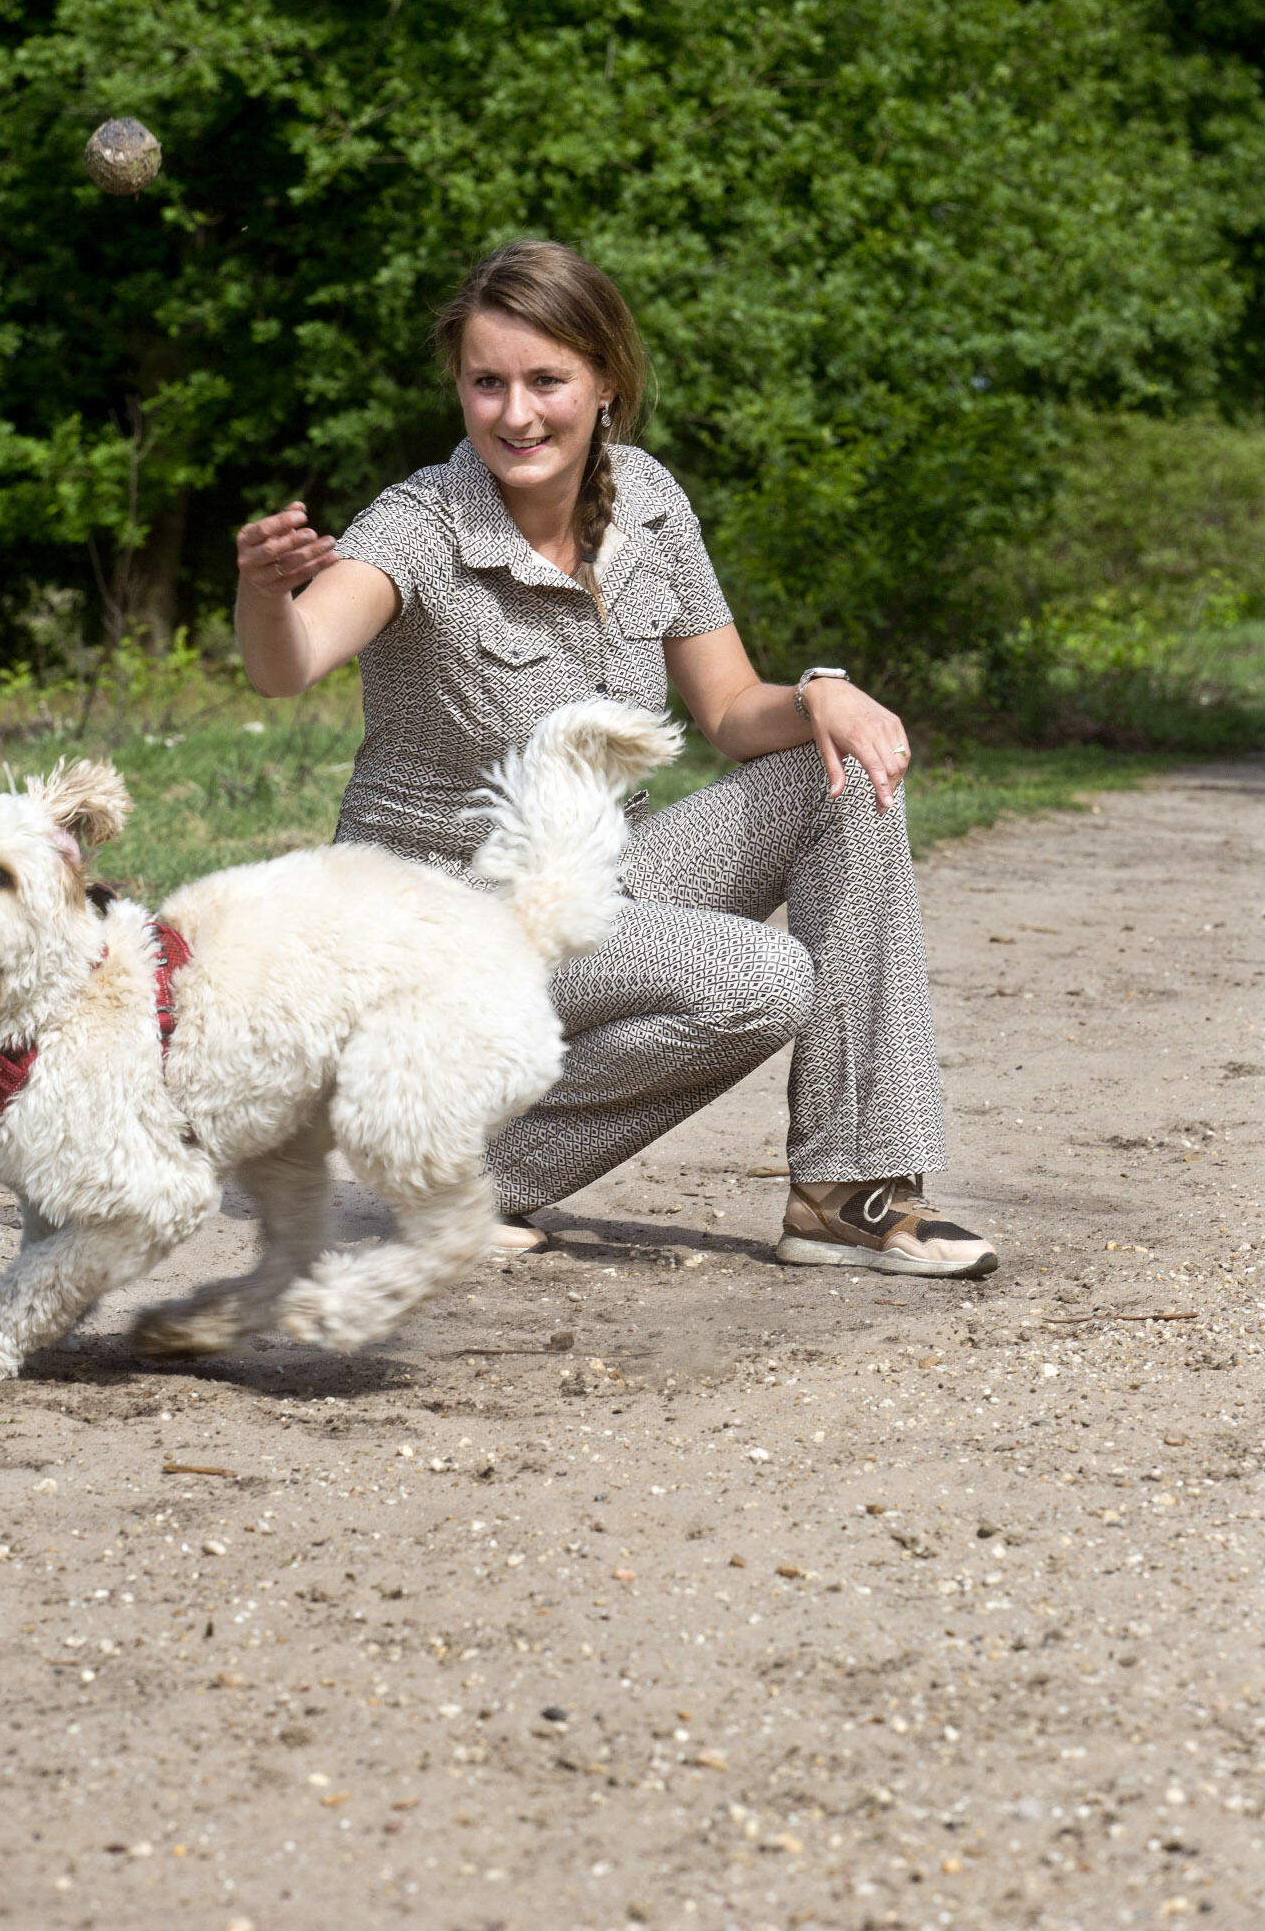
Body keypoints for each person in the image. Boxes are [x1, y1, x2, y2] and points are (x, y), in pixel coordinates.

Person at [233, 240, 997, 1279]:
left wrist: (823, 691)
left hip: (589, 884)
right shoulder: (417, 527)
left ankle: (848, 1192)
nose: (515, 414)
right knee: (761, 979)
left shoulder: (646, 503)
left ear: (606, 387)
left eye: (546, 381)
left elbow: (729, 709)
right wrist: (263, 595)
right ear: (458, 387)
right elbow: (294, 662)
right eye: (486, 382)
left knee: (845, 779)